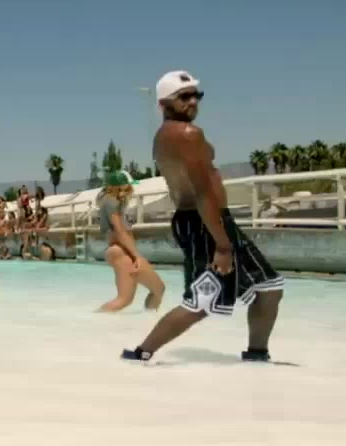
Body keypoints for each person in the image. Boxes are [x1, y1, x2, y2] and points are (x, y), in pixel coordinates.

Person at [122, 71, 284, 362]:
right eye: (184, 96)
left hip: (204, 220)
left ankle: (257, 354)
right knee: (201, 302)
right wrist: (222, 245)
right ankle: (140, 353)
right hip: (204, 222)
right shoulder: (187, 135)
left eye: (197, 95)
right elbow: (202, 191)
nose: (193, 101)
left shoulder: (165, 136)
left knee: (268, 286)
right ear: (163, 103)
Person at [95, 170, 164, 313]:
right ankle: (93, 319)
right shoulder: (111, 202)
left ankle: (149, 318)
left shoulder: (110, 202)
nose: (132, 189)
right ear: (122, 187)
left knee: (156, 290)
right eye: (129, 186)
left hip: (121, 251)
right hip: (122, 252)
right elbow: (119, 231)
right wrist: (137, 256)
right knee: (126, 299)